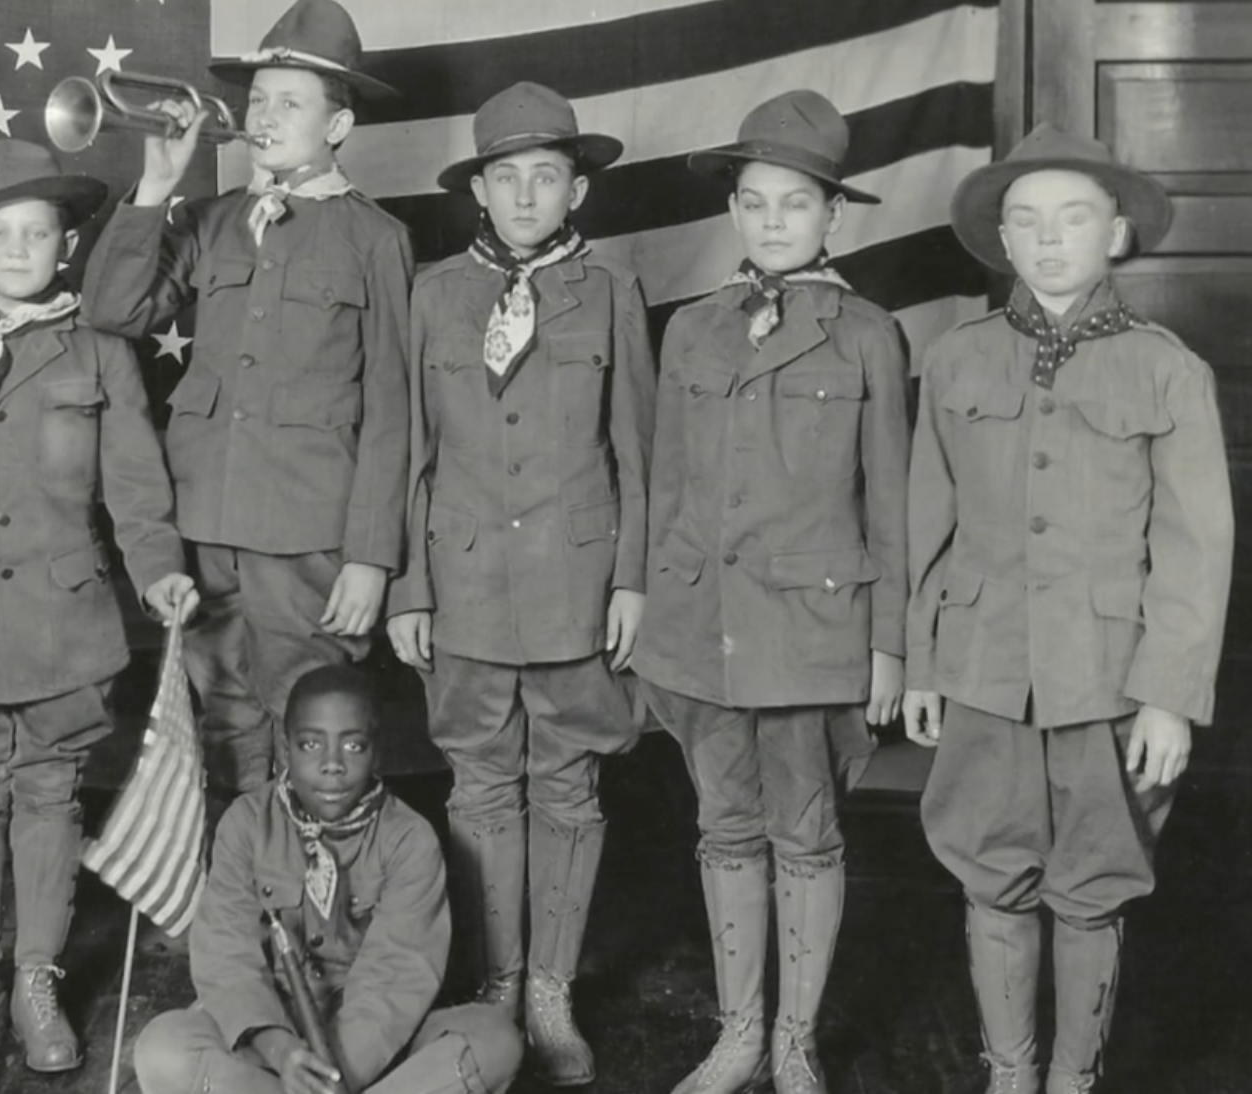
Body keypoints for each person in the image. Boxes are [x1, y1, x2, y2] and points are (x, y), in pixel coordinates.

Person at [904, 124, 1232, 1094]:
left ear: (1117, 235)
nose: (1050, 240)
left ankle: (1070, 1078)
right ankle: (1010, 1070)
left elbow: (1192, 545)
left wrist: (1169, 695)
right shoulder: (956, 361)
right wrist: (922, 663)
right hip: (981, 667)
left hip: (1107, 675)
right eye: (1027, 221)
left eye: (1074, 217)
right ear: (1001, 242)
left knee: (1091, 880)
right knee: (989, 868)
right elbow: (928, 520)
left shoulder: (1166, 369)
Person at [0, 138, 198, 1073]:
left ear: (65, 245)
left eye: (40, 232)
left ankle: (36, 982)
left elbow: (137, 490)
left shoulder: (100, 347)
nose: (19, 249)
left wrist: (160, 571)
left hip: (65, 618)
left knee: (50, 793)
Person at [634, 91, 911, 1094]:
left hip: (813, 628)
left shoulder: (868, 335)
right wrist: (649, 604)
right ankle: (738, 1030)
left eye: (794, 204)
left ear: (833, 215)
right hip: (700, 625)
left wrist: (889, 645)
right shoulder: (695, 332)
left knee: (807, 828)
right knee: (722, 824)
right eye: (753, 203)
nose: (771, 222)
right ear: (734, 212)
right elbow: (666, 487)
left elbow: (891, 500)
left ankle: (794, 1039)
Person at [384, 81, 653, 1086]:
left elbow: (638, 449)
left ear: (576, 189)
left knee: (568, 787)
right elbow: (407, 450)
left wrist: (632, 581)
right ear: (479, 192)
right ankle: (494, 986)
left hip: (576, 584)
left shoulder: (611, 293)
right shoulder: (432, 293)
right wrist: (409, 586)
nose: (527, 194)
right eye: (508, 177)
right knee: (481, 780)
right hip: (460, 584)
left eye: (547, 176)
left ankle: (552, 989)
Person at [82, 0, 412, 795]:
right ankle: (241, 912)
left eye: (288, 102)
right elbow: (112, 309)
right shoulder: (211, 219)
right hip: (206, 523)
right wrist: (157, 183)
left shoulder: (375, 239)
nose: (263, 117)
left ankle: (309, 917)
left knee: (314, 729)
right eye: (258, 99)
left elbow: (397, 409)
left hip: (310, 534)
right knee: (224, 724)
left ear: (337, 127)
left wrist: (370, 557)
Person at [133, 664, 523, 1094]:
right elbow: (227, 958)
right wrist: (282, 1052)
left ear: (378, 753)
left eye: (354, 746)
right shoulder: (245, 824)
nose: (332, 765)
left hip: (374, 1047)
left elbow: (396, 979)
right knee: (162, 1049)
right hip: (272, 1036)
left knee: (495, 1039)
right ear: (286, 747)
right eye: (310, 744)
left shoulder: (410, 840)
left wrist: (334, 1075)